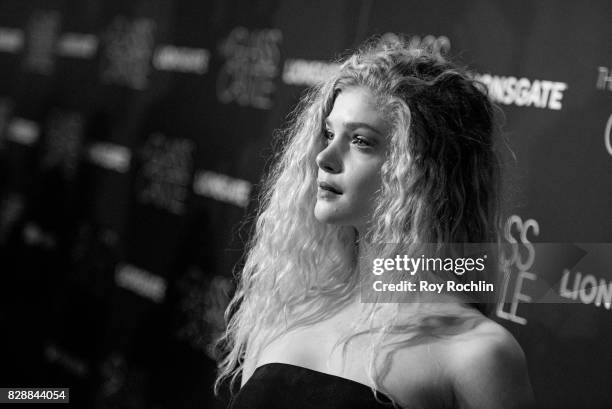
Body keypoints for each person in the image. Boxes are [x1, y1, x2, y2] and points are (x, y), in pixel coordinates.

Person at [214, 35, 535, 409]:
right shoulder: (288, 311)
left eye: (362, 141)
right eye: (330, 134)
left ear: (424, 173)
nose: (325, 157)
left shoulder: (477, 354)